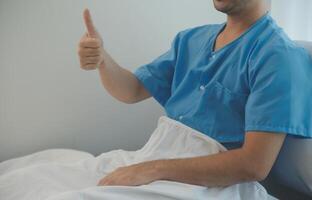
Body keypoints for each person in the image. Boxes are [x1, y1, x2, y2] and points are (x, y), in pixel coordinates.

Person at [77, 0, 312, 188]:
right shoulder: (190, 40)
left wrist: (153, 169)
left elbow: (254, 165)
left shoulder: (278, 57)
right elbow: (132, 90)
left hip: (207, 185)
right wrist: (102, 60)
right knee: (44, 172)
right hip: (153, 161)